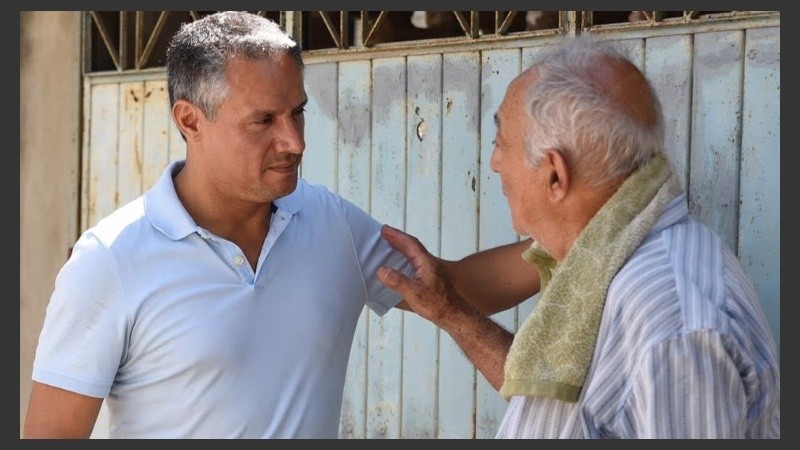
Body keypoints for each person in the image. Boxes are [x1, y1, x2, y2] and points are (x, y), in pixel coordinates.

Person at [22, 11, 538, 439]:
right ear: (190, 120)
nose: (294, 142)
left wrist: (589, 233)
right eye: (264, 121)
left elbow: (461, 289)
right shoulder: (109, 261)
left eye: (298, 113)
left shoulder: (331, 225)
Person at [376, 36, 780, 438]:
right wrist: (450, 313)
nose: (494, 163)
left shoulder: (672, 324)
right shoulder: (604, 254)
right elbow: (565, 403)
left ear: (555, 174)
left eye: (501, 142)